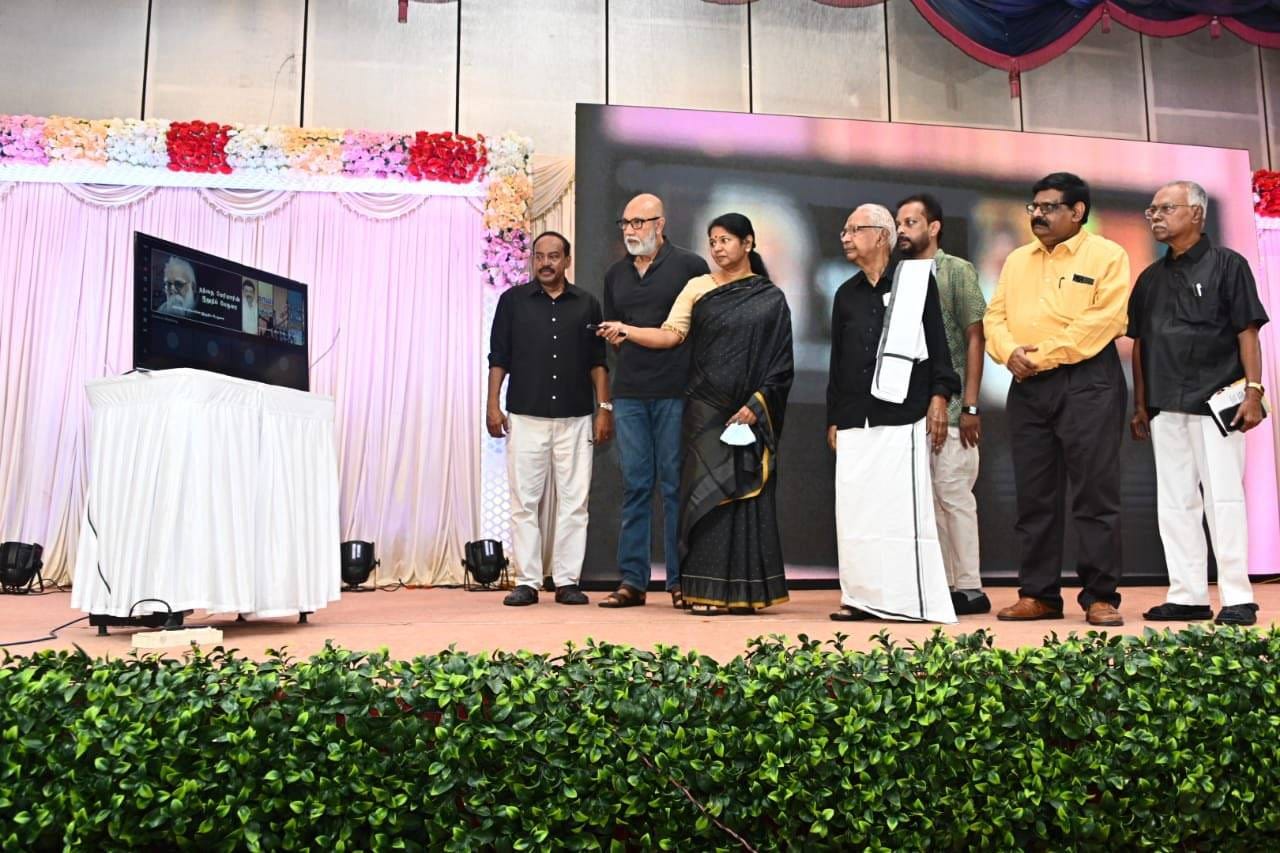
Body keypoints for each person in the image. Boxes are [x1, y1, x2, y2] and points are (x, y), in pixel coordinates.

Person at [597, 213, 792, 614]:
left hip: (749, 410)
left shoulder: (770, 298)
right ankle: (703, 590)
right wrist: (629, 330)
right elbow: (672, 334)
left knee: (743, 494)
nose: (718, 248)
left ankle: (745, 594)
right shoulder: (697, 287)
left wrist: (758, 404)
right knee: (702, 499)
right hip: (704, 409)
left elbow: (781, 361)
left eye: (725, 240)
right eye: (713, 241)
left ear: (748, 243)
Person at [984, 172, 1131, 626]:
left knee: (1094, 493)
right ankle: (1039, 594)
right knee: (1035, 496)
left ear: (1077, 212)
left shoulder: (1107, 255)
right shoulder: (1017, 260)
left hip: (1088, 381)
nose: (1038, 215)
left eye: (1048, 207)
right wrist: (1008, 352)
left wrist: (1039, 356)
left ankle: (1100, 595)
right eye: (1034, 207)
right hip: (1027, 384)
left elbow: (1102, 322)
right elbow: (995, 315)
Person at [1129, 180, 1269, 627]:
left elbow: (1247, 331)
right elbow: (1139, 345)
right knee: (1174, 503)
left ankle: (1237, 596)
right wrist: (1141, 405)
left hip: (1218, 402)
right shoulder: (1150, 277)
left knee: (1224, 499)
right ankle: (1187, 594)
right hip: (1166, 404)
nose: (1155, 216)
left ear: (1196, 214)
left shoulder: (1229, 265)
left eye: (1166, 208)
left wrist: (1254, 391)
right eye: (1151, 209)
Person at [827, 204, 960, 623]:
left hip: (902, 413)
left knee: (901, 513)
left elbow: (939, 347)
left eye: (854, 230)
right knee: (855, 513)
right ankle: (860, 597)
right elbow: (838, 360)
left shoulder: (918, 283)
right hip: (853, 417)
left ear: (881, 235)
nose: (845, 237)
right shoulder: (845, 293)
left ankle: (904, 601)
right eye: (844, 230)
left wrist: (940, 395)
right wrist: (833, 417)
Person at [487, 231, 613, 607]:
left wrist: (604, 409)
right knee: (524, 501)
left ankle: (566, 581)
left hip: (575, 417)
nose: (546, 263)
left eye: (554, 256)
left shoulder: (588, 304)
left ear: (567, 260)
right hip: (525, 415)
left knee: (575, 502)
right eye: (539, 256)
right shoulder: (512, 302)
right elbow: (498, 357)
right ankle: (526, 580)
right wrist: (493, 404)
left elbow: (598, 362)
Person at [600, 193, 711, 609]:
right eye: (625, 223)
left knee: (673, 486)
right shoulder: (615, 275)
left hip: (675, 393)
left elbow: (700, 332)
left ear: (660, 224)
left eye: (639, 223)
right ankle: (632, 580)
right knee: (635, 486)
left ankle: (682, 580)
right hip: (629, 393)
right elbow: (615, 336)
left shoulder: (690, 267)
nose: (630, 231)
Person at [895, 194, 991, 615]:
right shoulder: (895, 275)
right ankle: (940, 583)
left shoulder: (956, 270)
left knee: (954, 497)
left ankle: (969, 586)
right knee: (924, 503)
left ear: (934, 228)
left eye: (911, 222)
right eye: (898, 222)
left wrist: (969, 406)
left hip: (952, 411)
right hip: (909, 411)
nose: (902, 230)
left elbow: (975, 335)